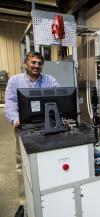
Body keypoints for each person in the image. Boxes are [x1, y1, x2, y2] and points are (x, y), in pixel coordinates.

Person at [4, 52, 59, 217]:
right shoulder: (15, 80)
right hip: (24, 127)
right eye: (33, 62)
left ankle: (46, 196)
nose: (36, 66)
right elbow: (10, 102)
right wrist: (15, 120)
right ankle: (25, 202)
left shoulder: (50, 80)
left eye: (39, 63)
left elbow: (60, 96)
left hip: (46, 126)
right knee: (22, 164)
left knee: (46, 161)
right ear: (25, 63)